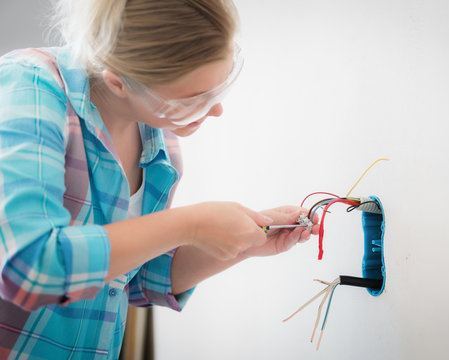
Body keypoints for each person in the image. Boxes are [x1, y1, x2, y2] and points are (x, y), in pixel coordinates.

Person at [0, 0, 319, 358]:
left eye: (219, 88)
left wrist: (247, 243)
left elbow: (131, 279)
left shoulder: (160, 144)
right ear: (119, 83)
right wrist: (191, 223)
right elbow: (29, 268)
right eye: (193, 98)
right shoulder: (27, 89)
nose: (216, 110)